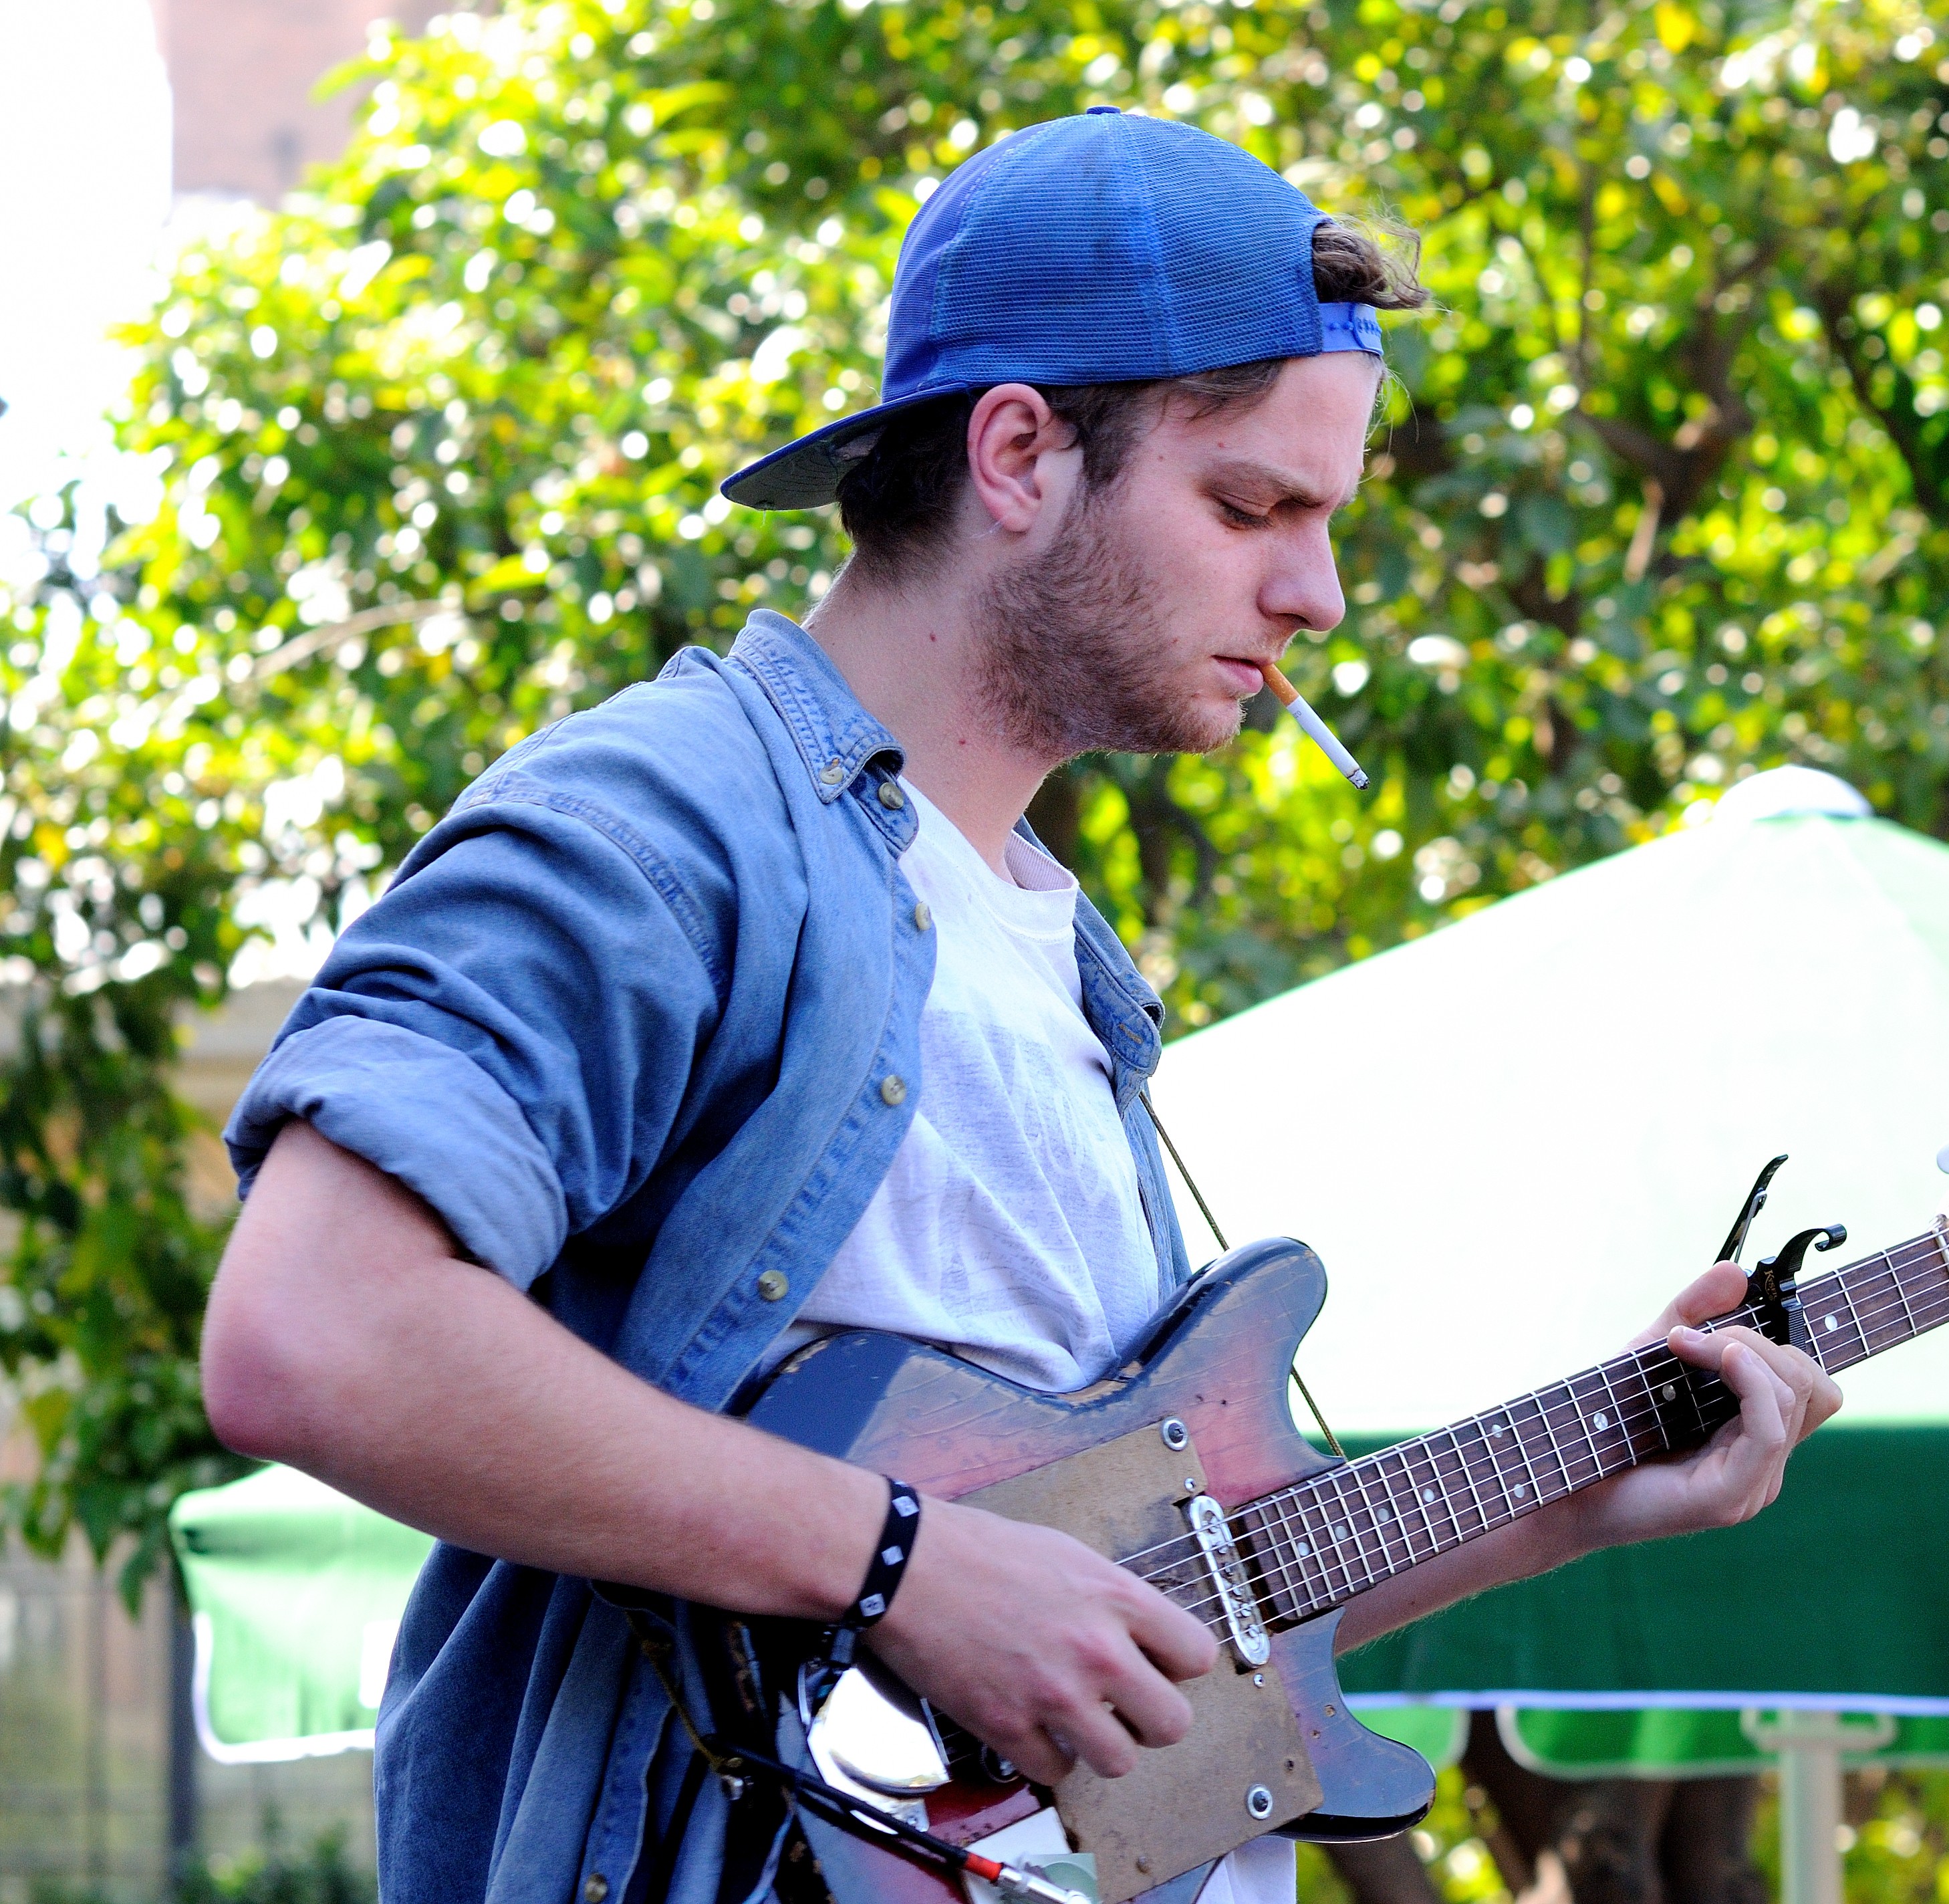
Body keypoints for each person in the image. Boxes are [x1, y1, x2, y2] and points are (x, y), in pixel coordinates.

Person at [197, 110, 1839, 1904]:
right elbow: (313, 1332)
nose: (1319, 592)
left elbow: (1136, 1607)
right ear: (1017, 455)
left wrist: (1584, 1493)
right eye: (1249, 506)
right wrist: (902, 1564)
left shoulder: (1054, 947)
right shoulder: (663, 824)